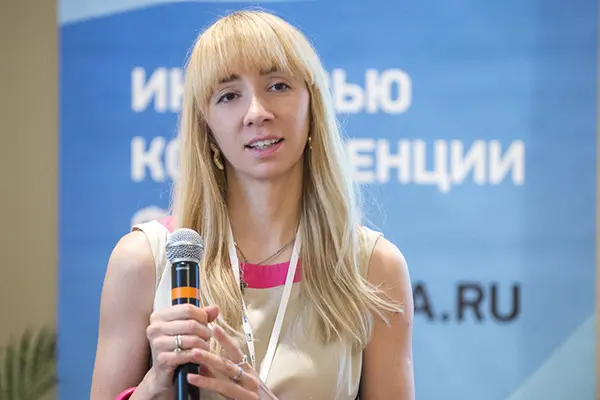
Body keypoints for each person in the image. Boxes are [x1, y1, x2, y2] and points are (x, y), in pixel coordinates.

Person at [90, 8, 415, 400]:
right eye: (229, 95)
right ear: (206, 128)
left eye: (278, 85)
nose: (257, 113)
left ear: (313, 106)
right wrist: (151, 388)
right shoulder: (145, 260)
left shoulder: (373, 266)